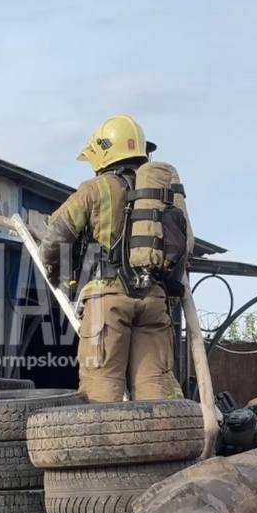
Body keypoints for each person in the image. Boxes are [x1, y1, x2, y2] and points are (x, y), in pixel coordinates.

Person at [38, 114, 189, 402]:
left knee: (101, 391)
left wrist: (57, 275)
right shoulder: (160, 193)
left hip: (107, 300)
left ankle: (105, 447)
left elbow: (55, 238)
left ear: (103, 152)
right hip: (155, 301)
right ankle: (159, 445)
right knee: (155, 391)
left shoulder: (95, 189)